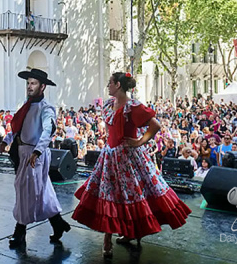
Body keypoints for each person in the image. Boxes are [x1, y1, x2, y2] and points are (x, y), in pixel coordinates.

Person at [71, 72, 191, 258]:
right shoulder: (110, 104)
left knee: (130, 196)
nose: (108, 86)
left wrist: (138, 142)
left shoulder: (133, 106)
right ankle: (108, 238)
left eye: (110, 83)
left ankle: (128, 233)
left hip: (127, 158)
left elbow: (156, 126)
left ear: (118, 85)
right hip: (110, 157)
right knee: (111, 195)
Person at [0, 68, 70, 248]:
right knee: (42, 189)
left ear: (42, 86)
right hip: (22, 152)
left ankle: (20, 231)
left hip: (34, 155)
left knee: (25, 190)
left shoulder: (46, 108)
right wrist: (6, 140)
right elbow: (18, 128)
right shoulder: (26, 104)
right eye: (28, 83)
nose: (29, 86)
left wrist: (37, 151)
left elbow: (49, 129)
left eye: (33, 83)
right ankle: (58, 223)